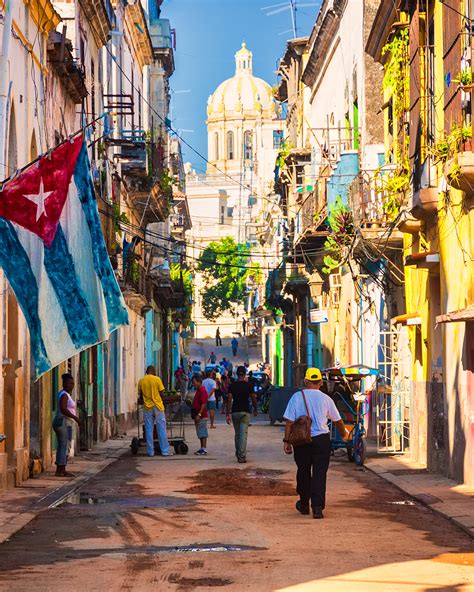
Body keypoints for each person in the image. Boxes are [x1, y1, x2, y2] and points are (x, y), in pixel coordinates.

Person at [283, 368, 349, 519]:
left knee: (303, 470)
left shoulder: (296, 397)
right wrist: (344, 434)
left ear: (305, 381)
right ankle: (317, 508)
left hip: (301, 440)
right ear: (320, 382)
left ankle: (304, 503)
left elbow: (289, 422)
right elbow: (338, 420)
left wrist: (287, 441)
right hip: (321, 440)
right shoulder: (326, 399)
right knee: (320, 473)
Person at [138, 365, 173, 457]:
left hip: (147, 407)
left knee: (149, 429)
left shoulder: (141, 381)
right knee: (161, 428)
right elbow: (162, 393)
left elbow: (140, 395)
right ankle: (165, 451)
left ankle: (150, 452)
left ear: (146, 372)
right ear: (154, 371)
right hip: (158, 406)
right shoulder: (157, 379)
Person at [226, 365, 258, 463]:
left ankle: (238, 453)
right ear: (244, 375)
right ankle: (242, 456)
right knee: (243, 434)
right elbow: (253, 398)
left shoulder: (232, 386)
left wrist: (227, 413)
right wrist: (255, 408)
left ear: (236, 374)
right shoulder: (248, 385)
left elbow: (229, 399)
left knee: (237, 434)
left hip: (235, 412)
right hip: (245, 412)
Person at [52, 373, 80, 477]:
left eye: (73, 383)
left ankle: (60, 469)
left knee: (62, 445)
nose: (71, 385)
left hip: (64, 422)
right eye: (69, 383)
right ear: (64, 384)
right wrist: (75, 418)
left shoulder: (65, 394)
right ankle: (61, 470)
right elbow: (64, 409)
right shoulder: (64, 394)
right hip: (63, 422)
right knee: (64, 445)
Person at [191, 374, 209, 455]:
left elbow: (203, 404)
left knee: (202, 432)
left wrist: (199, 414)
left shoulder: (202, 391)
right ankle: (202, 448)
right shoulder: (199, 391)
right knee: (200, 432)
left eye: (194, 382)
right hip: (198, 415)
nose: (193, 384)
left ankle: (204, 448)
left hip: (202, 416)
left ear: (199, 382)